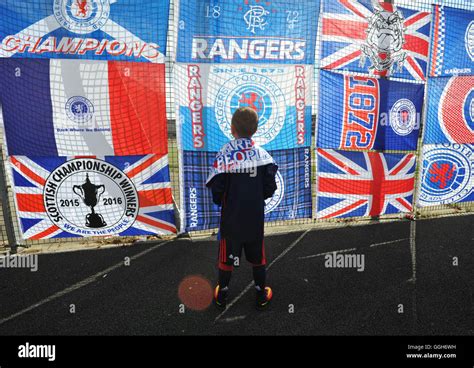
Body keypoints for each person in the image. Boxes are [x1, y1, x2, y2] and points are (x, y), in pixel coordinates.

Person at [205, 107, 278, 310]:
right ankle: (261, 294)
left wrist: (226, 202)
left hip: (231, 220)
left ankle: (222, 295)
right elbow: (270, 187)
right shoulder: (263, 155)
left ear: (232, 128)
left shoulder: (225, 154)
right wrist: (254, 198)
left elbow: (217, 189)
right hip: (254, 218)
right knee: (258, 258)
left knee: (227, 259)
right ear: (255, 129)